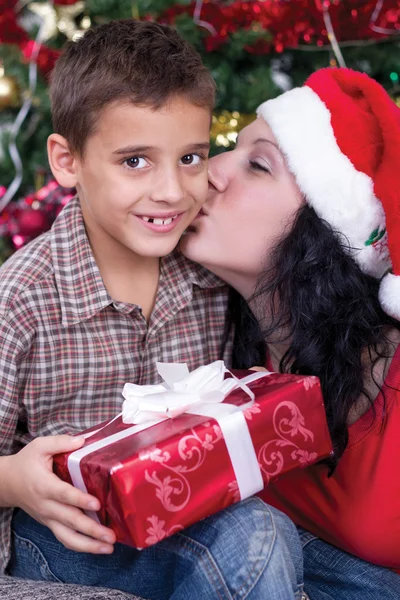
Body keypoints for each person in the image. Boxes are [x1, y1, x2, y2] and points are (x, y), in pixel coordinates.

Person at [0, 19, 307, 600]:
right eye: (135, 161)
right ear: (67, 162)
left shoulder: (208, 273)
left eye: (191, 157)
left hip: (190, 509)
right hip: (69, 537)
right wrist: (12, 479)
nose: (172, 190)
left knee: (315, 557)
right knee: (257, 539)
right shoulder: (19, 301)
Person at [181, 67, 400, 599]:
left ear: (323, 234)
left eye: (258, 165)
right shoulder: (201, 327)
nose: (210, 170)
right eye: (230, 148)